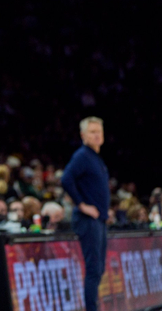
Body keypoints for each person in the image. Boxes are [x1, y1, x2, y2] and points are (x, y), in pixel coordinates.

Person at [61, 116, 109, 311]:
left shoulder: (95, 157)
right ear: (83, 135)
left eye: (99, 131)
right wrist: (82, 205)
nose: (97, 135)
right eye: (92, 132)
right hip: (87, 220)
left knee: (98, 269)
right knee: (93, 269)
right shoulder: (82, 155)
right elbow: (66, 179)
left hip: (99, 220)